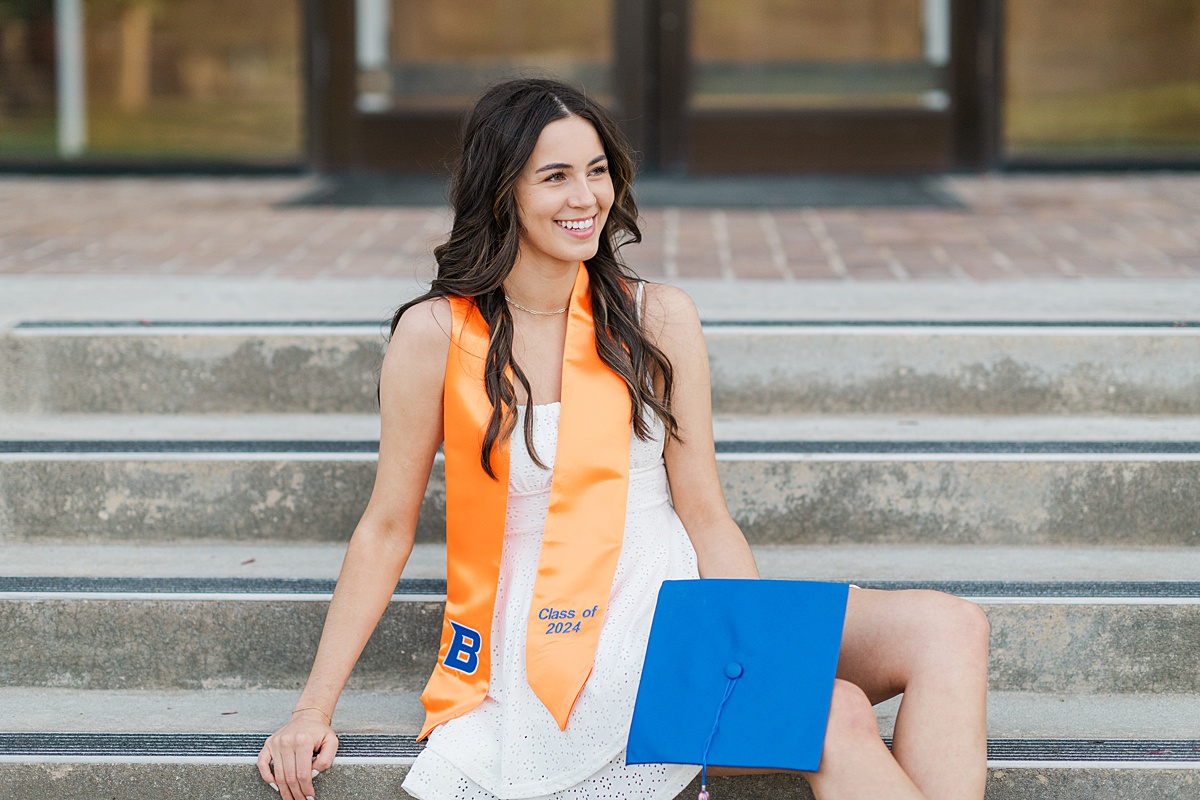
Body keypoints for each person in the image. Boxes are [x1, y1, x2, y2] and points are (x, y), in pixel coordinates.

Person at [258, 77, 990, 800]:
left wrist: (746, 643)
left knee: (949, 628)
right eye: (555, 177)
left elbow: (704, 510)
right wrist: (311, 710)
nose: (586, 199)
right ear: (500, 189)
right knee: (836, 712)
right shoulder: (437, 336)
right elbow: (386, 528)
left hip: (672, 597)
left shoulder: (657, 317)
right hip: (565, 650)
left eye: (598, 171)